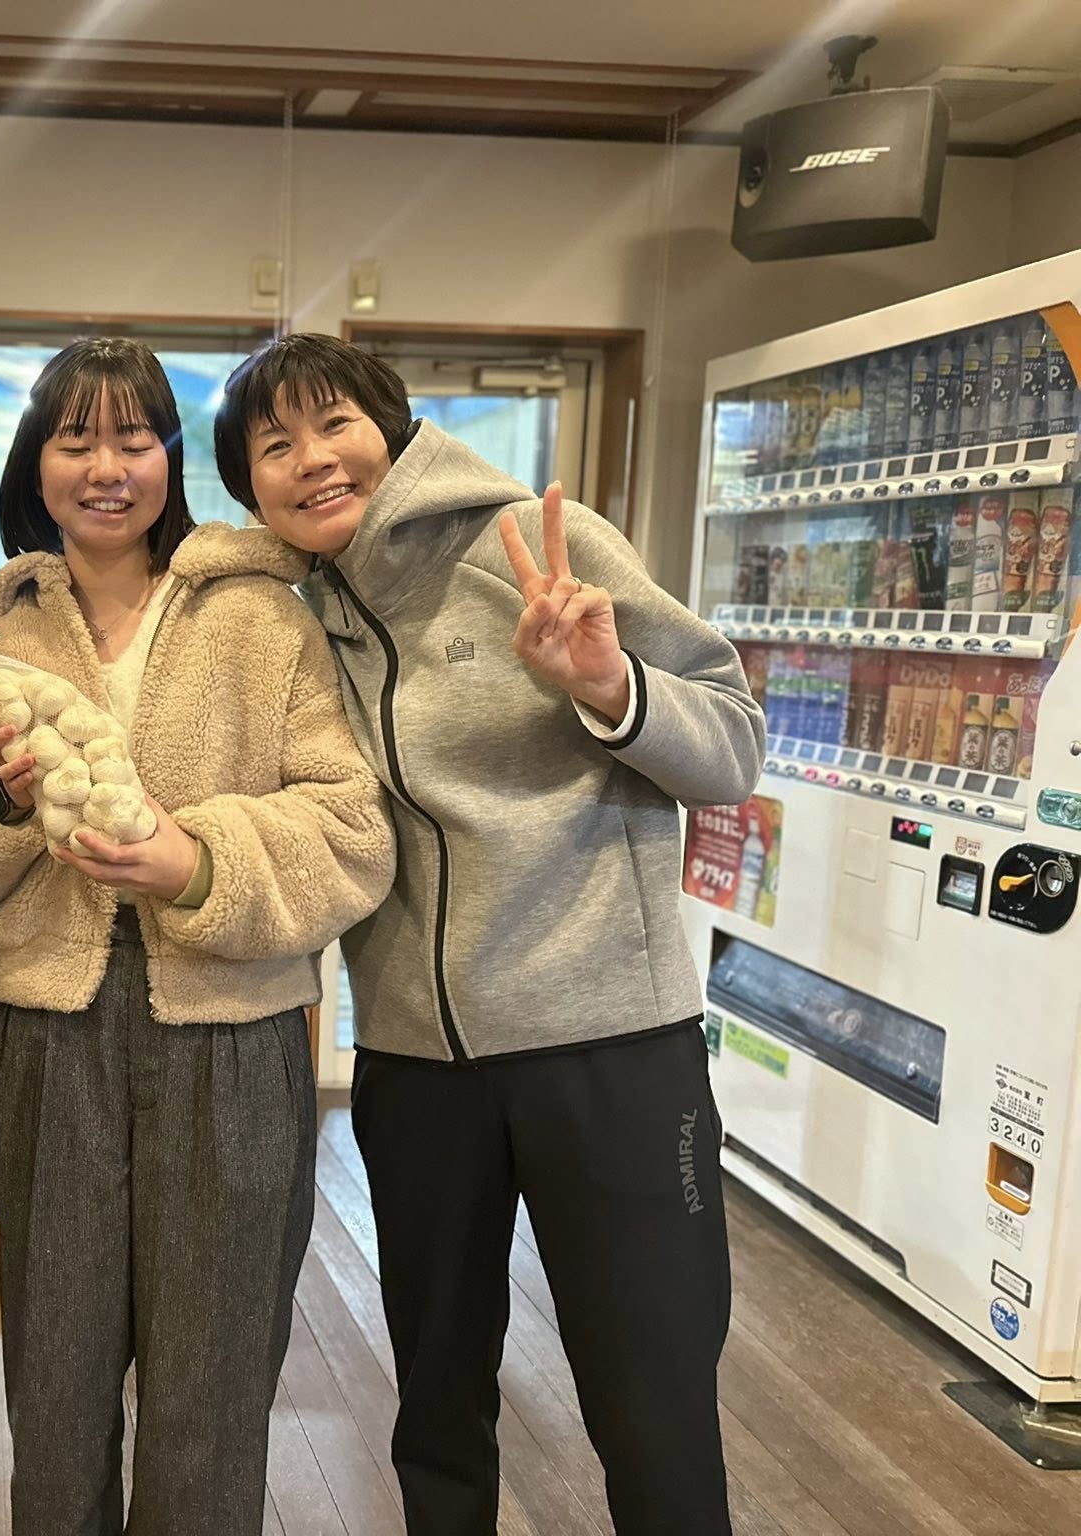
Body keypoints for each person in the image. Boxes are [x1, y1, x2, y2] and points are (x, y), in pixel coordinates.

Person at [212, 333, 767, 1536]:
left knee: (653, 1404)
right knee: (435, 1405)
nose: (312, 459)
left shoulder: (537, 547)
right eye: (273, 445)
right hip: (414, 1065)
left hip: (608, 1047)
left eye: (334, 423)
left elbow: (731, 750)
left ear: (392, 428)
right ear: (248, 487)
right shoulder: (296, 618)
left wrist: (606, 684)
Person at [0, 337, 394, 1536]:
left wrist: (195, 860)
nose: (106, 467)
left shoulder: (260, 617)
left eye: (133, 438)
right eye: (74, 440)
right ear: (36, 462)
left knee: (212, 1385)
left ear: (170, 459)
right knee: (54, 1378)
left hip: (234, 1035)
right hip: (49, 1032)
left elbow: (351, 826)